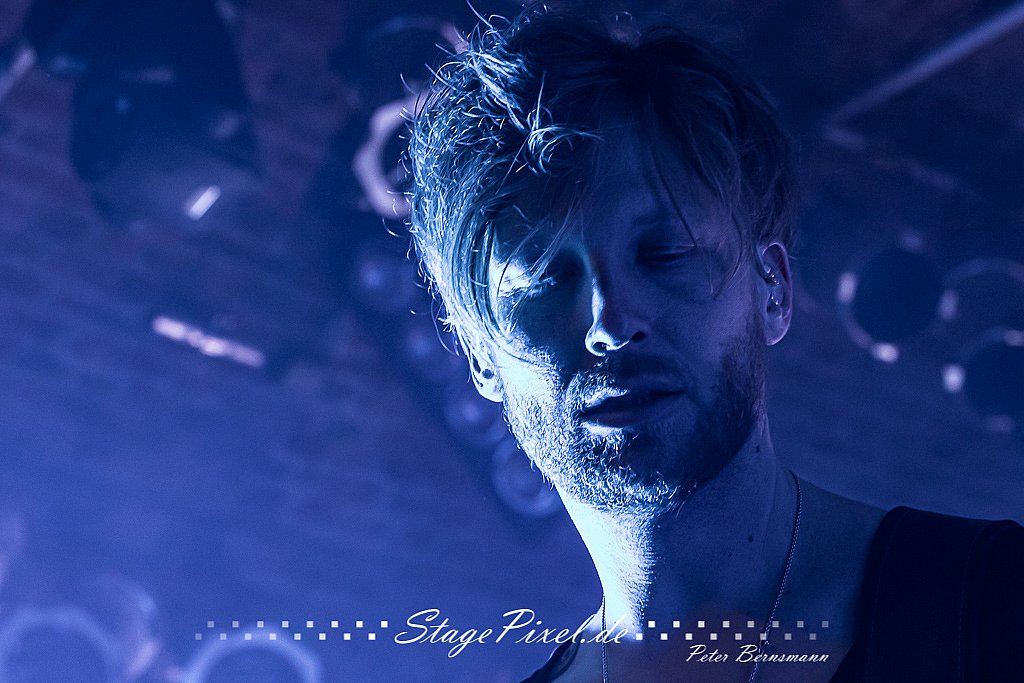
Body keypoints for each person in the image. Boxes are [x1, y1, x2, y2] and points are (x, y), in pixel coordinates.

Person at [407, 4, 1024, 681]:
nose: (611, 323)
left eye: (665, 253)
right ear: (480, 357)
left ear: (772, 291)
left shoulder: (996, 604)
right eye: (545, 279)